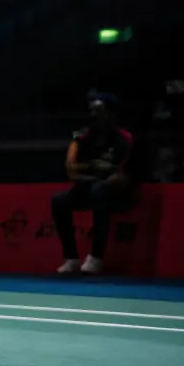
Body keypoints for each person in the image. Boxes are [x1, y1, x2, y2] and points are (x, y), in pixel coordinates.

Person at [53, 92, 135, 276]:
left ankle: (96, 257)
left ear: (111, 113)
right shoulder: (84, 137)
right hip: (89, 186)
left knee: (99, 191)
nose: (93, 115)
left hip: (118, 193)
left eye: (98, 111)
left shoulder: (124, 138)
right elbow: (71, 170)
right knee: (59, 200)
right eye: (91, 111)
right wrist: (95, 169)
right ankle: (71, 258)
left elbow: (120, 175)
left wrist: (96, 172)